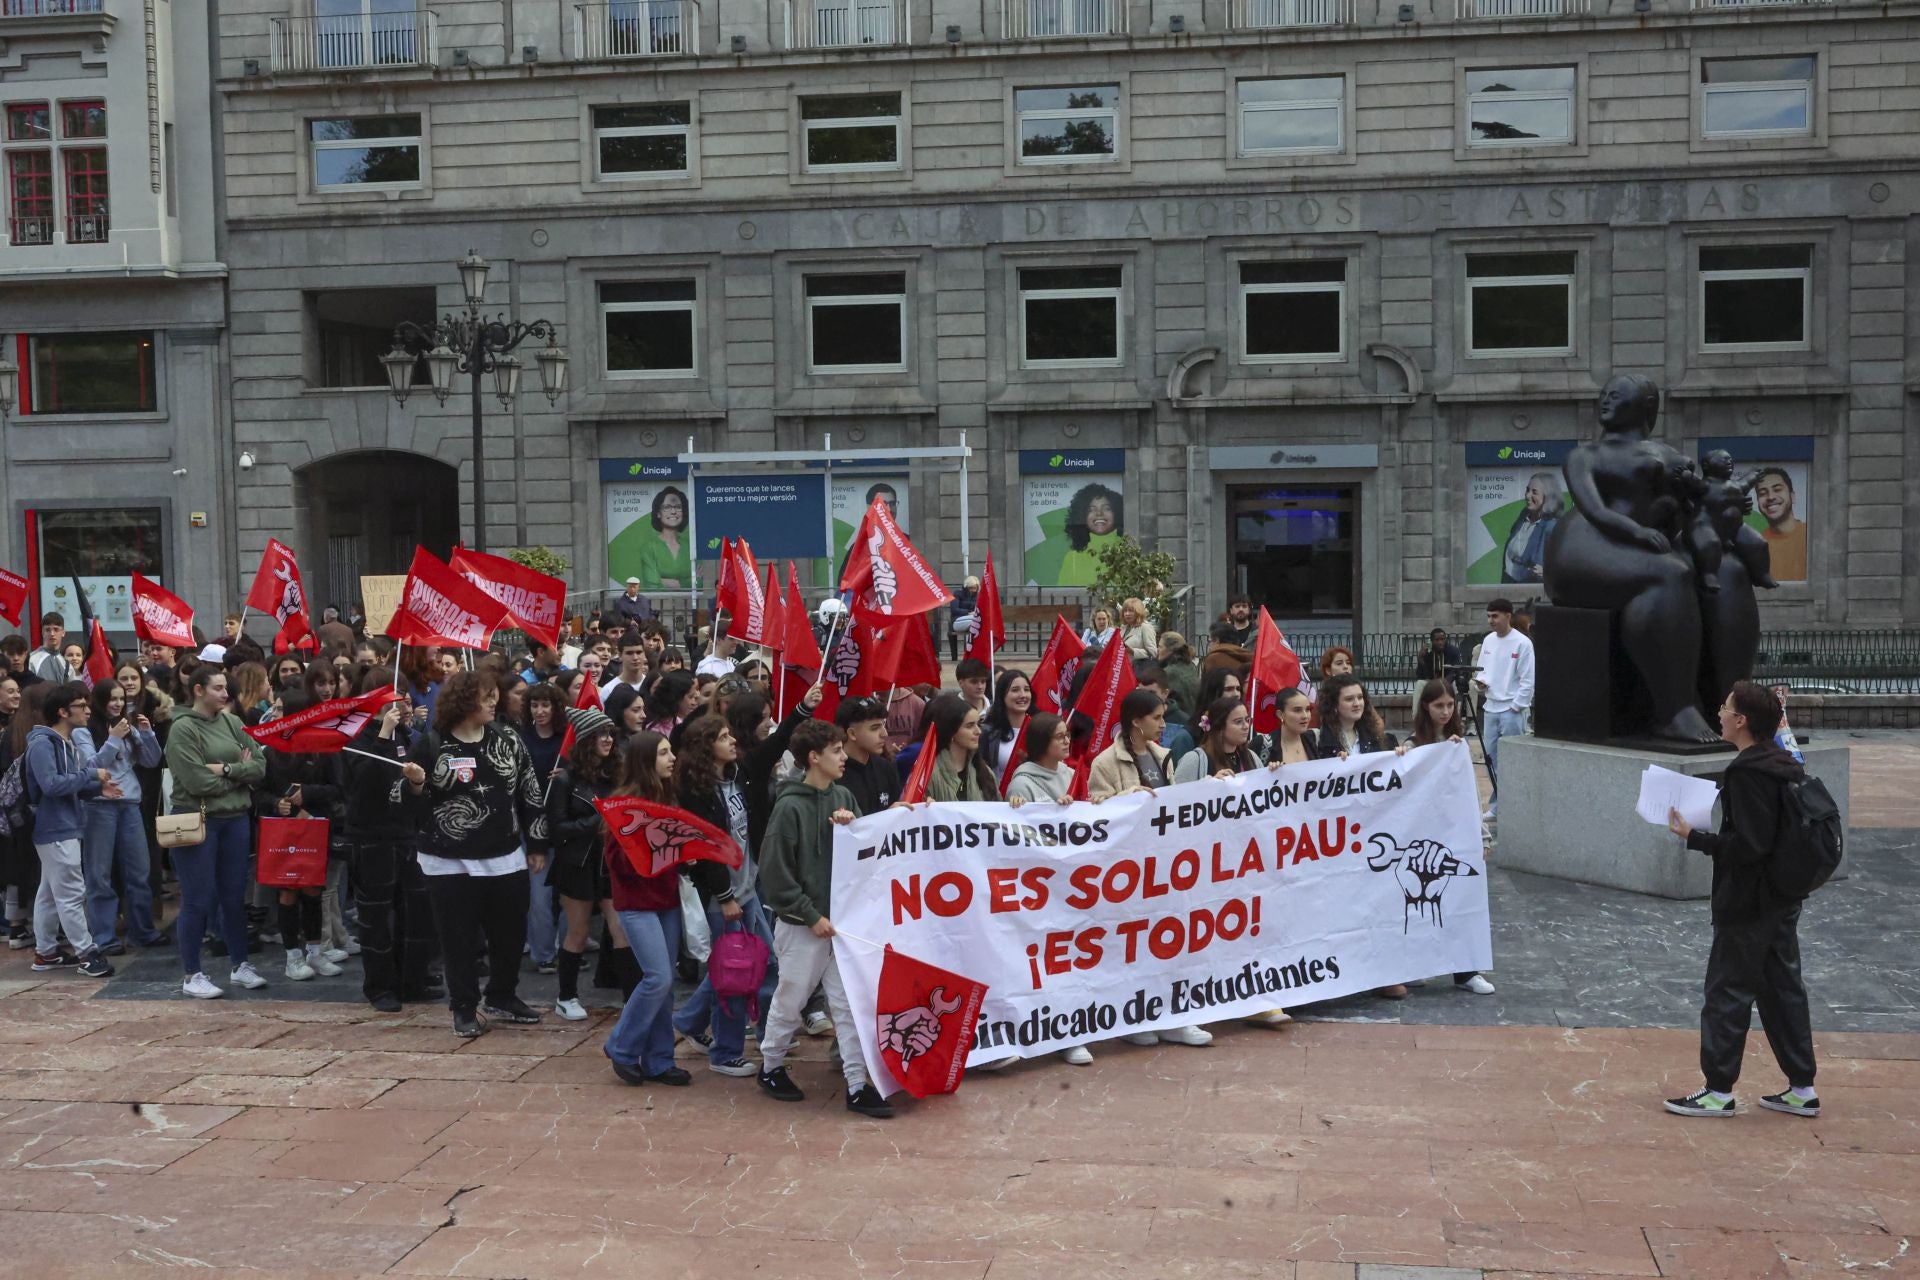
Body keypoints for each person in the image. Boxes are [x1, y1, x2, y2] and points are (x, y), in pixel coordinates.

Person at [1664, 681, 1819, 1119]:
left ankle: (1717, 1090)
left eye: (1725, 707)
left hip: (1749, 901)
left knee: (1727, 990)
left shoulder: (1748, 771)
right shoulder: (1783, 762)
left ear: (1742, 721)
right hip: (1782, 897)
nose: (1719, 712)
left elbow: (1750, 846)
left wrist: (1695, 837)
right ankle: (1802, 1087)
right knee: (1783, 990)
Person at [755, 719, 893, 1117]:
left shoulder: (844, 794)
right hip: (804, 927)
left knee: (848, 1006)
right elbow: (776, 874)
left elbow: (866, 850)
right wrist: (810, 915)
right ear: (814, 758)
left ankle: (855, 1084)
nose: (842, 757)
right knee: (792, 998)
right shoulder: (789, 807)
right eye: (835, 751)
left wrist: (855, 826)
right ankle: (771, 1065)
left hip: (842, 925)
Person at [405, 670, 549, 1039]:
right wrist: (417, 787)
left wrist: (535, 844)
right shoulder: (431, 744)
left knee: (510, 935)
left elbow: (531, 792)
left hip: (505, 856)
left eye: (494, 696)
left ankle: (502, 995)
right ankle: (464, 1007)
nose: (493, 702)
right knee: (458, 939)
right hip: (447, 861)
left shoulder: (508, 738)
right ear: (463, 701)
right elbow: (404, 805)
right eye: (485, 696)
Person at [672, 714, 780, 1077]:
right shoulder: (696, 792)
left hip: (747, 889)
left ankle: (689, 1020)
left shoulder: (738, 776)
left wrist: (805, 709)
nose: (732, 740)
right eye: (723, 737)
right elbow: (706, 850)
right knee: (734, 975)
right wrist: (724, 896)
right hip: (726, 898)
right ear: (706, 748)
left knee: (762, 964)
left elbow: (774, 748)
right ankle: (725, 1052)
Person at [165, 666, 270, 999]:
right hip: (198, 819)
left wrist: (227, 769)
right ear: (198, 690)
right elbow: (196, 781)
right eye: (219, 688)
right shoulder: (182, 729)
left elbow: (260, 767)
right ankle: (192, 973)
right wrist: (238, 776)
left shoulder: (233, 722)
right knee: (198, 898)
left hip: (235, 819)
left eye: (226, 688)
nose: (227, 694)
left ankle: (240, 965)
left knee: (233, 897)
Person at [601, 730, 691, 1086]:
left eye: (671, 751)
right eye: (665, 753)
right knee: (658, 978)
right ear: (645, 760)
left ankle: (659, 1060)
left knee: (664, 984)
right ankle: (621, 1046)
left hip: (665, 899)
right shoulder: (624, 804)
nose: (672, 758)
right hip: (637, 903)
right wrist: (663, 851)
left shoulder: (668, 796)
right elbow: (619, 863)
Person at [344, 684, 437, 1012]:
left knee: (414, 914)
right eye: (400, 704)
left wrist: (416, 784)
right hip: (370, 838)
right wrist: (383, 735)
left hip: (406, 836)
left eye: (409, 703)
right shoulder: (357, 737)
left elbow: (417, 787)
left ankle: (411, 980)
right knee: (377, 919)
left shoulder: (410, 738)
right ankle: (380, 987)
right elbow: (366, 783)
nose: (407, 709)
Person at [1408, 680, 1497, 997]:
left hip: (1456, 839)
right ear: (1426, 708)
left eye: (1449, 705)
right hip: (1422, 842)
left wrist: (1482, 838)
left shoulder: (1459, 745)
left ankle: (1466, 971)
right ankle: (1414, 966)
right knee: (1420, 904)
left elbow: (1471, 796)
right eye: (1438, 706)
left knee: (1462, 903)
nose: (1445, 712)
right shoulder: (1413, 745)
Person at [24, 684, 120, 978]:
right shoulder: (43, 744)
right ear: (63, 712)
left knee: (51, 893)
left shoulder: (64, 743)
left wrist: (96, 788)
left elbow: (70, 785)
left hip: (64, 825)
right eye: (81, 705)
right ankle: (86, 953)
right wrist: (92, 775)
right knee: (71, 892)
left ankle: (46, 952)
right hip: (54, 827)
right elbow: (51, 785)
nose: (88, 710)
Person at [544, 707, 631, 1022]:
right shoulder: (565, 780)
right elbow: (558, 829)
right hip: (577, 864)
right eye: (600, 734)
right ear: (584, 740)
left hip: (611, 864)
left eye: (610, 733)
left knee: (620, 929)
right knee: (578, 932)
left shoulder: (619, 775)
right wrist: (597, 823)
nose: (607, 739)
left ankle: (632, 999)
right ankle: (566, 996)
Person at [255, 690, 346, 982]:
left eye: (281, 709)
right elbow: (258, 791)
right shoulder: (269, 750)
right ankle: (292, 957)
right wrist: (275, 804)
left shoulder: (325, 748)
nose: (276, 714)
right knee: (287, 891)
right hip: (282, 831)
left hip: (315, 826)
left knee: (313, 889)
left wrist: (307, 794)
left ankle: (315, 953)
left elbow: (338, 788)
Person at [74, 678, 166, 955]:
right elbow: (92, 766)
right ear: (99, 701)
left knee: (139, 871)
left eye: (120, 698)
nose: (116, 703)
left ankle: (143, 931)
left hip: (129, 805)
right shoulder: (84, 732)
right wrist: (113, 739)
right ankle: (104, 937)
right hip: (99, 807)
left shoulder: (128, 727)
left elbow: (151, 761)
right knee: (99, 875)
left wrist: (147, 734)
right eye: (111, 698)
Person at [1475, 598, 1535, 822]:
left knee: (1512, 761)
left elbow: (1527, 680)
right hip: (1490, 708)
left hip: (1512, 710)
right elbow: (1482, 671)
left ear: (1508, 616)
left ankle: (1513, 807)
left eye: (1495, 616)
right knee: (1492, 760)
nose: (1491, 621)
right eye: (1489, 616)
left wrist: (1516, 706)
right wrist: (1480, 683)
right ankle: (1498, 806)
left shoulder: (1523, 643)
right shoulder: (1488, 640)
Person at [924, 693, 999, 803]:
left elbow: (999, 811)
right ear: (952, 731)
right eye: (970, 726)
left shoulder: (985, 771)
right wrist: (925, 807)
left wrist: (1015, 803)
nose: (978, 731)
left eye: (978, 724)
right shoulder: (929, 775)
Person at [1313, 674, 1402, 759]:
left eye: (1360, 697)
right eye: (1349, 699)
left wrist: (1399, 754)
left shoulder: (1375, 736)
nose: (1357, 704)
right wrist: (1334, 761)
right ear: (1334, 704)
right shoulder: (1319, 741)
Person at [834, 697, 898, 815]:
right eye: (875, 728)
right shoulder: (833, 775)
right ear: (852, 733)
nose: (884, 734)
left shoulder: (885, 767)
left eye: (883, 725)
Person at [1055, 483, 1124, 588]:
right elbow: (1061, 598)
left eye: (1106, 508)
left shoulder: (1126, 550)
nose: (1099, 513)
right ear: (1082, 516)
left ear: (1116, 513)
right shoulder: (1072, 558)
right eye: (1092, 509)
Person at [1503, 471, 1564, 584]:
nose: (1527, 496)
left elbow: (1566, 563)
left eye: (1534, 492)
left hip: (1530, 590)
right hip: (1509, 582)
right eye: (1527, 490)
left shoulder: (1551, 526)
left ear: (1548, 496)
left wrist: (1547, 572)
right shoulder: (1524, 515)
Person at [1752, 467, 1807, 582]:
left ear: (1792, 496)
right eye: (1762, 493)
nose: (1770, 497)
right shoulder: (1755, 545)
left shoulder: (1811, 536)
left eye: (1777, 489)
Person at [980, 669, 1033, 777]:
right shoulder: (987, 733)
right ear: (1002, 695)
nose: (1023, 695)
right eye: (1015, 690)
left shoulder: (1039, 729)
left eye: (1026, 690)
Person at [1157, 632, 1200, 728]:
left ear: (1171, 650)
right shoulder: (1191, 667)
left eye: (1160, 647)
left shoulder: (1168, 673)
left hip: (1177, 725)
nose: (1158, 650)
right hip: (1194, 722)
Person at [644, 670, 698, 738]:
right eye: (690, 697)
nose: (694, 703)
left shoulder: (680, 721)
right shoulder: (655, 730)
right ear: (675, 699)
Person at [26, 612, 68, 685]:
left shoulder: (66, 662)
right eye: (48, 630)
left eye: (56, 629)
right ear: (42, 632)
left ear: (63, 632)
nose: (52, 633)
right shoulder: (32, 659)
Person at [947, 574, 980, 662]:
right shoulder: (957, 594)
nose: (973, 590)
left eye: (975, 588)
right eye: (971, 588)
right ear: (966, 587)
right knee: (976, 619)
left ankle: (971, 654)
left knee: (978, 621)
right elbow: (954, 609)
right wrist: (968, 612)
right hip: (957, 621)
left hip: (970, 621)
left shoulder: (977, 597)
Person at [1118, 598, 1158, 663]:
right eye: (1125, 611)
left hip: (1138, 669)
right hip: (1122, 668)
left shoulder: (1145, 627)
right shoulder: (1123, 627)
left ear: (1138, 612)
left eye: (1131, 611)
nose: (1127, 614)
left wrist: (1133, 651)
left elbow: (1153, 653)